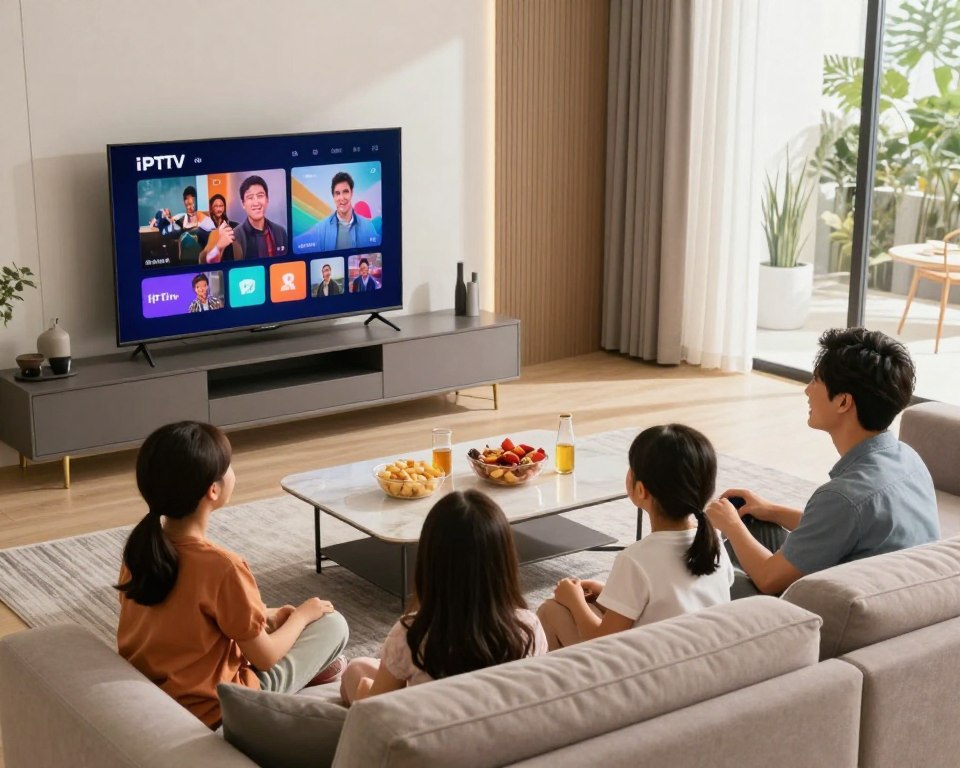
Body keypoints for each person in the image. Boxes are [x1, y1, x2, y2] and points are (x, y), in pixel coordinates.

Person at [116, 421, 348, 729]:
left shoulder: (141, 550)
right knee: (333, 624)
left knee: (276, 621)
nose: (233, 471)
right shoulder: (223, 567)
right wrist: (302, 617)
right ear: (213, 490)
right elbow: (265, 658)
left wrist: (269, 615)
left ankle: (315, 666)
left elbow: (181, 619)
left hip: (159, 692)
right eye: (229, 466)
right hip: (218, 707)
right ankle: (309, 672)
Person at [705, 327, 941, 598]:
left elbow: (770, 580)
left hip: (818, 614)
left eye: (816, 380)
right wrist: (771, 510)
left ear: (843, 402)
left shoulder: (843, 496)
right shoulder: (910, 460)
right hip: (890, 599)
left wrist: (731, 525)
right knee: (757, 523)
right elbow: (847, 528)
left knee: (704, 576)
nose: (807, 390)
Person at [339, 490, 547, 704]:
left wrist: (364, 690)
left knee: (355, 672)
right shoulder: (528, 628)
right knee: (362, 666)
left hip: (433, 729)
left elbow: (376, 713)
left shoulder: (412, 635)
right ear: (504, 561)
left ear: (429, 563)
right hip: (496, 725)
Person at [537, 424, 733, 650]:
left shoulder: (635, 559)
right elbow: (672, 598)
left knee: (552, 610)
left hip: (649, 670)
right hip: (699, 656)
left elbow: (601, 641)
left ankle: (561, 683)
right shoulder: (713, 541)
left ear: (640, 490)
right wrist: (607, 591)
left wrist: (573, 600)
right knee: (597, 606)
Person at [305, 171, 381, 252]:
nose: (342, 198)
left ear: (351, 193)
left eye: (345, 192)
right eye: (337, 193)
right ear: (333, 197)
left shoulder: (368, 227)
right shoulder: (321, 229)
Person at [231, 175, 288, 259]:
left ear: (267, 199)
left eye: (260, 196)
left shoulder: (280, 231)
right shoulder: (235, 236)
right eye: (250, 197)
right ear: (243, 203)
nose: (256, 202)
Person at [198, 193, 244, 263]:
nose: (219, 209)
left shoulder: (231, 225)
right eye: (216, 206)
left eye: (221, 206)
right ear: (211, 208)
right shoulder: (205, 227)